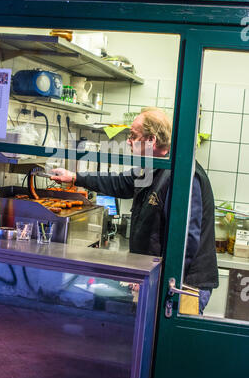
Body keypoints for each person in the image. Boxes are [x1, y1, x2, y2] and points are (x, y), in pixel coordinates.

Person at [50, 107, 219, 314]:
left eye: (133, 136)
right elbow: (121, 183)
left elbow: (186, 241)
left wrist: (162, 280)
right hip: (164, 281)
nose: (128, 142)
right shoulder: (153, 167)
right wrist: (76, 177)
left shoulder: (182, 174)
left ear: (151, 140)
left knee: (167, 345)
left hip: (183, 286)